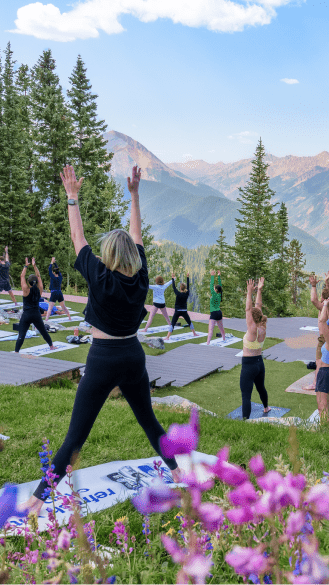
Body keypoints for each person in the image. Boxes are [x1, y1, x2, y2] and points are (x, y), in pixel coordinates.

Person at [20, 165, 181, 518]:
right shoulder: (140, 277)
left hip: (104, 358)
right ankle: (178, 473)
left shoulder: (100, 276)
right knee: (149, 421)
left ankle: (34, 502)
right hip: (133, 355)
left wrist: (72, 197)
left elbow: (78, 239)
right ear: (133, 257)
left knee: (75, 438)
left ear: (107, 256)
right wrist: (135, 195)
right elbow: (136, 233)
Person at [240, 277, 271, 420]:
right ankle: (266, 407)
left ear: (252, 317)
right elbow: (258, 306)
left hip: (248, 365)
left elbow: (249, 308)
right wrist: (259, 290)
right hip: (260, 364)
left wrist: (249, 292)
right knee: (261, 388)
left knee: (246, 395)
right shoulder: (262, 326)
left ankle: (245, 420)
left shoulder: (252, 329)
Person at [14, 258, 55, 354]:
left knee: (22, 334)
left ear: (28, 282)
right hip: (36, 314)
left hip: (27, 315)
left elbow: (22, 276)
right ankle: (51, 346)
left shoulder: (25, 289)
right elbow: (39, 276)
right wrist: (34, 266)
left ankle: (16, 352)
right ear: (36, 281)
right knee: (43, 331)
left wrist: (26, 266)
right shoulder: (40, 289)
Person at [302, 273, 329, 391]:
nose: (321, 299)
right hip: (323, 338)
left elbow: (313, 300)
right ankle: (316, 383)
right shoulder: (324, 306)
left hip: (325, 339)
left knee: (320, 363)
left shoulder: (324, 307)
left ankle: (315, 384)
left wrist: (313, 286)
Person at [164, 272, 198, 341]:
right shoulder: (186, 294)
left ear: (180, 288)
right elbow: (188, 287)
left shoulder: (178, 294)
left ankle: (167, 337)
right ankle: (194, 333)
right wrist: (187, 277)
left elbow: (173, 287)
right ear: (184, 288)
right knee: (189, 322)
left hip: (177, 311)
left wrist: (173, 279)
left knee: (172, 324)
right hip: (184, 311)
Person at [44, 257, 71, 322]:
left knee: (50, 308)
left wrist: (51, 262)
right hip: (59, 293)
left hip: (54, 293)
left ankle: (46, 319)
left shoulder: (53, 277)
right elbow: (57, 270)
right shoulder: (60, 277)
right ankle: (69, 317)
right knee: (63, 307)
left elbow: (49, 270)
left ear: (54, 272)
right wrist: (55, 263)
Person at [316, 298, 329, 422]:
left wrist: (325, 304)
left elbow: (322, 320)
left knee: (322, 406)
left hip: (326, 372)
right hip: (325, 370)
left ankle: (324, 431)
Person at [206, 269, 226, 345]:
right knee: (221, 328)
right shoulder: (220, 294)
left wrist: (212, 276)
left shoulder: (214, 294)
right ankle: (224, 337)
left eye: (215, 288)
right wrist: (219, 276)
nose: (213, 289)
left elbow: (211, 286)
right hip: (219, 313)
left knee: (210, 330)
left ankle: (208, 343)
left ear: (216, 290)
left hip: (214, 313)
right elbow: (220, 286)